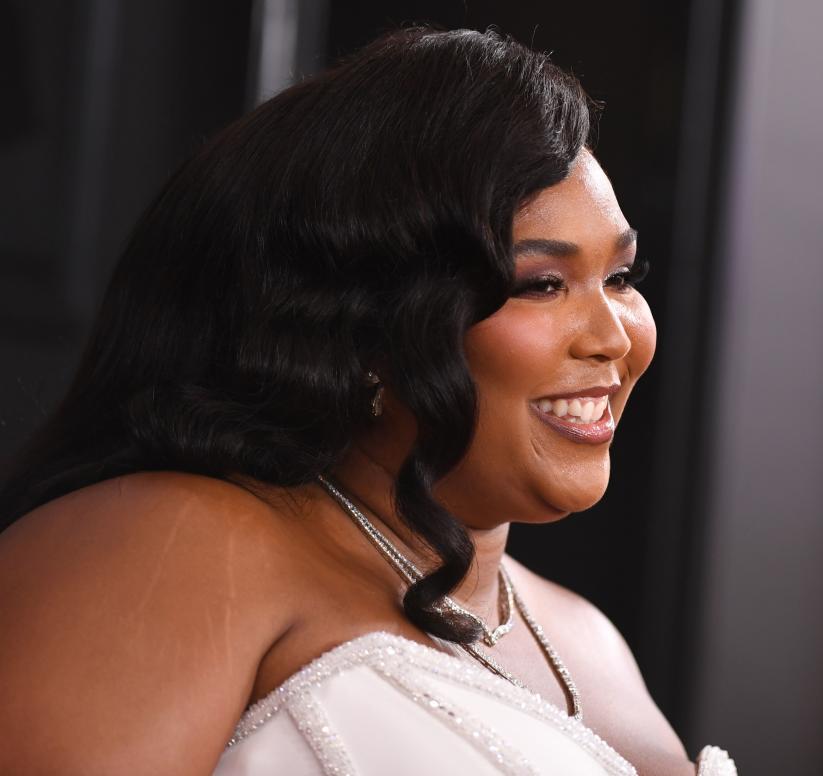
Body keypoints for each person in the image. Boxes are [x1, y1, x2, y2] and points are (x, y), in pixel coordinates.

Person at [0, 27, 736, 776]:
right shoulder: (176, 546)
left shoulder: (588, 639)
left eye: (620, 278)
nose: (614, 337)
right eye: (541, 284)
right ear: (364, 331)